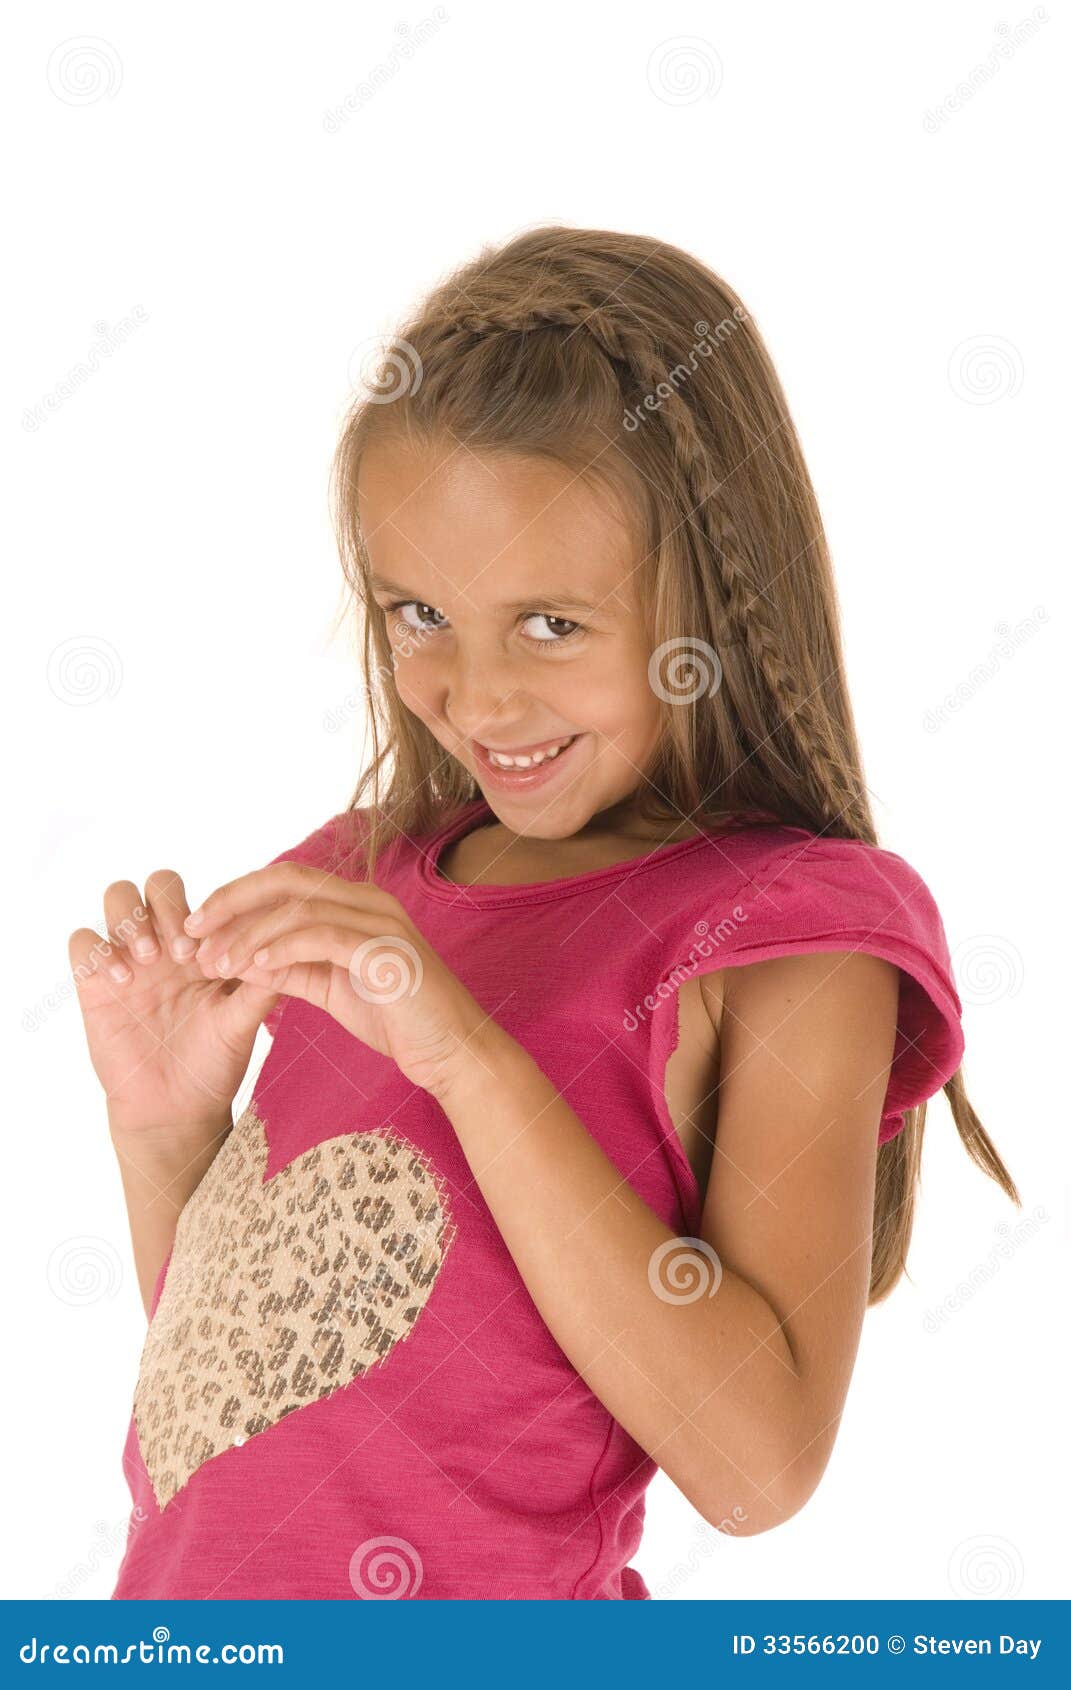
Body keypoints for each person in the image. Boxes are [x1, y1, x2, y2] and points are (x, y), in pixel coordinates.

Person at [69, 225, 1018, 1600]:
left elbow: (756, 1467)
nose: (477, 695)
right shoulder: (364, 873)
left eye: (553, 625)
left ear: (718, 602)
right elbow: (256, 1411)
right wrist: (166, 1137)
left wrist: (466, 1055)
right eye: (419, 612)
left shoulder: (784, 934)